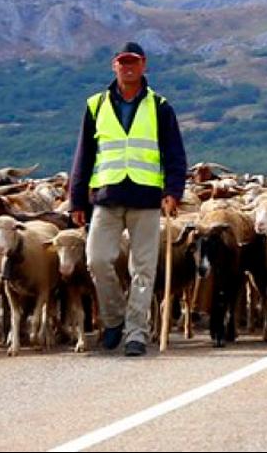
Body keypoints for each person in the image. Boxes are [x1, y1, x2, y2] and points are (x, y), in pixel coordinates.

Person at [69, 41, 186, 356]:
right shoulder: (96, 105)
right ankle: (113, 319)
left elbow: (174, 154)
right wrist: (76, 200)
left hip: (146, 198)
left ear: (144, 65)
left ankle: (136, 332)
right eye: (123, 62)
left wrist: (173, 192)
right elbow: (84, 155)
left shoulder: (160, 107)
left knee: (143, 269)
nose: (128, 67)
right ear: (114, 65)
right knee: (97, 260)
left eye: (134, 61)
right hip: (106, 197)